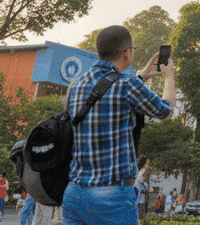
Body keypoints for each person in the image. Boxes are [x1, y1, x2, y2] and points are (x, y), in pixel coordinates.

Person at [61, 25, 176, 225]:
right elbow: (166, 111)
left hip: (74, 194)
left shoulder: (76, 85)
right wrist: (169, 77)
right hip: (111, 196)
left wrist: (142, 75)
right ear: (126, 52)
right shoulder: (127, 85)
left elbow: (106, 95)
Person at [134, 156, 150, 220]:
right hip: (139, 201)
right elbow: (138, 185)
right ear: (143, 164)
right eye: (147, 164)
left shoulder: (140, 172)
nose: (149, 166)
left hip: (140, 200)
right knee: (140, 219)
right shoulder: (141, 173)